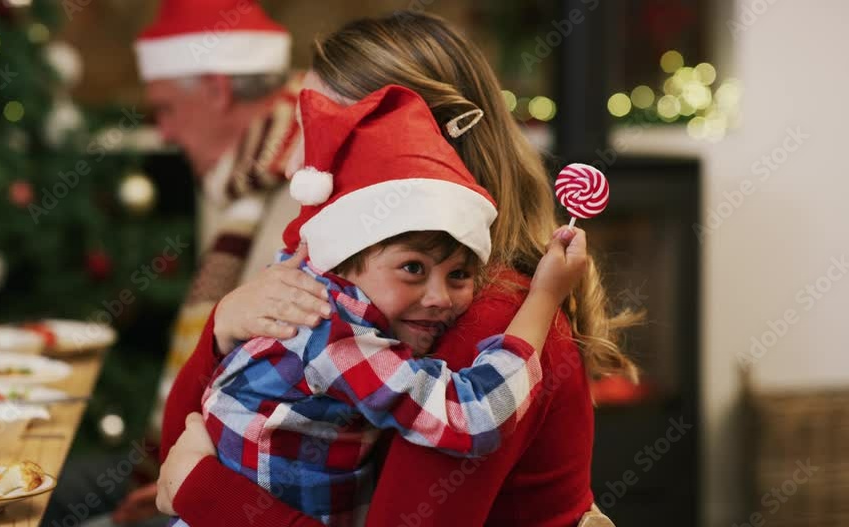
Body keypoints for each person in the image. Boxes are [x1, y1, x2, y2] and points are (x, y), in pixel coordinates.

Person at [157, 12, 637, 527]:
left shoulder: (479, 320)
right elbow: (178, 448)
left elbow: (179, 476)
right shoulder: (354, 290)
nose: (302, 167)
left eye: (326, 137)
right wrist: (225, 324)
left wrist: (202, 490)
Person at [96, 1, 303, 524]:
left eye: (165, 108)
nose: (162, 132)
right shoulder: (237, 178)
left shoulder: (305, 182)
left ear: (217, 89)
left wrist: (196, 486)